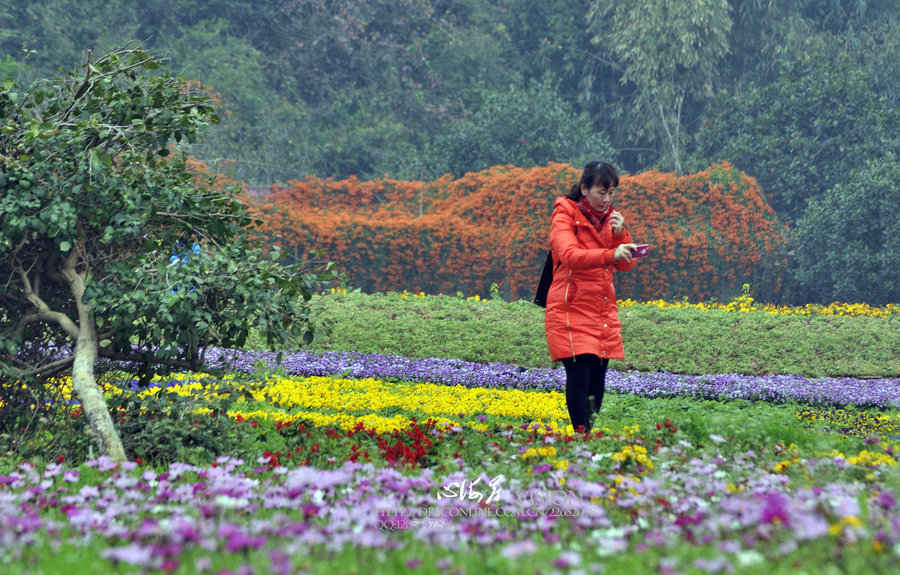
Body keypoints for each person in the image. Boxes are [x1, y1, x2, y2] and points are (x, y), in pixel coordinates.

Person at [544, 161, 639, 433]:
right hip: (569, 308)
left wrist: (621, 234)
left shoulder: (610, 219)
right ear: (584, 189)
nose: (606, 200)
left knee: (598, 380)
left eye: (611, 193)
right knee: (579, 376)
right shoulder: (564, 215)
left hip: (601, 310)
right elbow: (570, 256)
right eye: (601, 192)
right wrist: (611, 254)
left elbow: (625, 264)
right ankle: (580, 437)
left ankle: (586, 439)